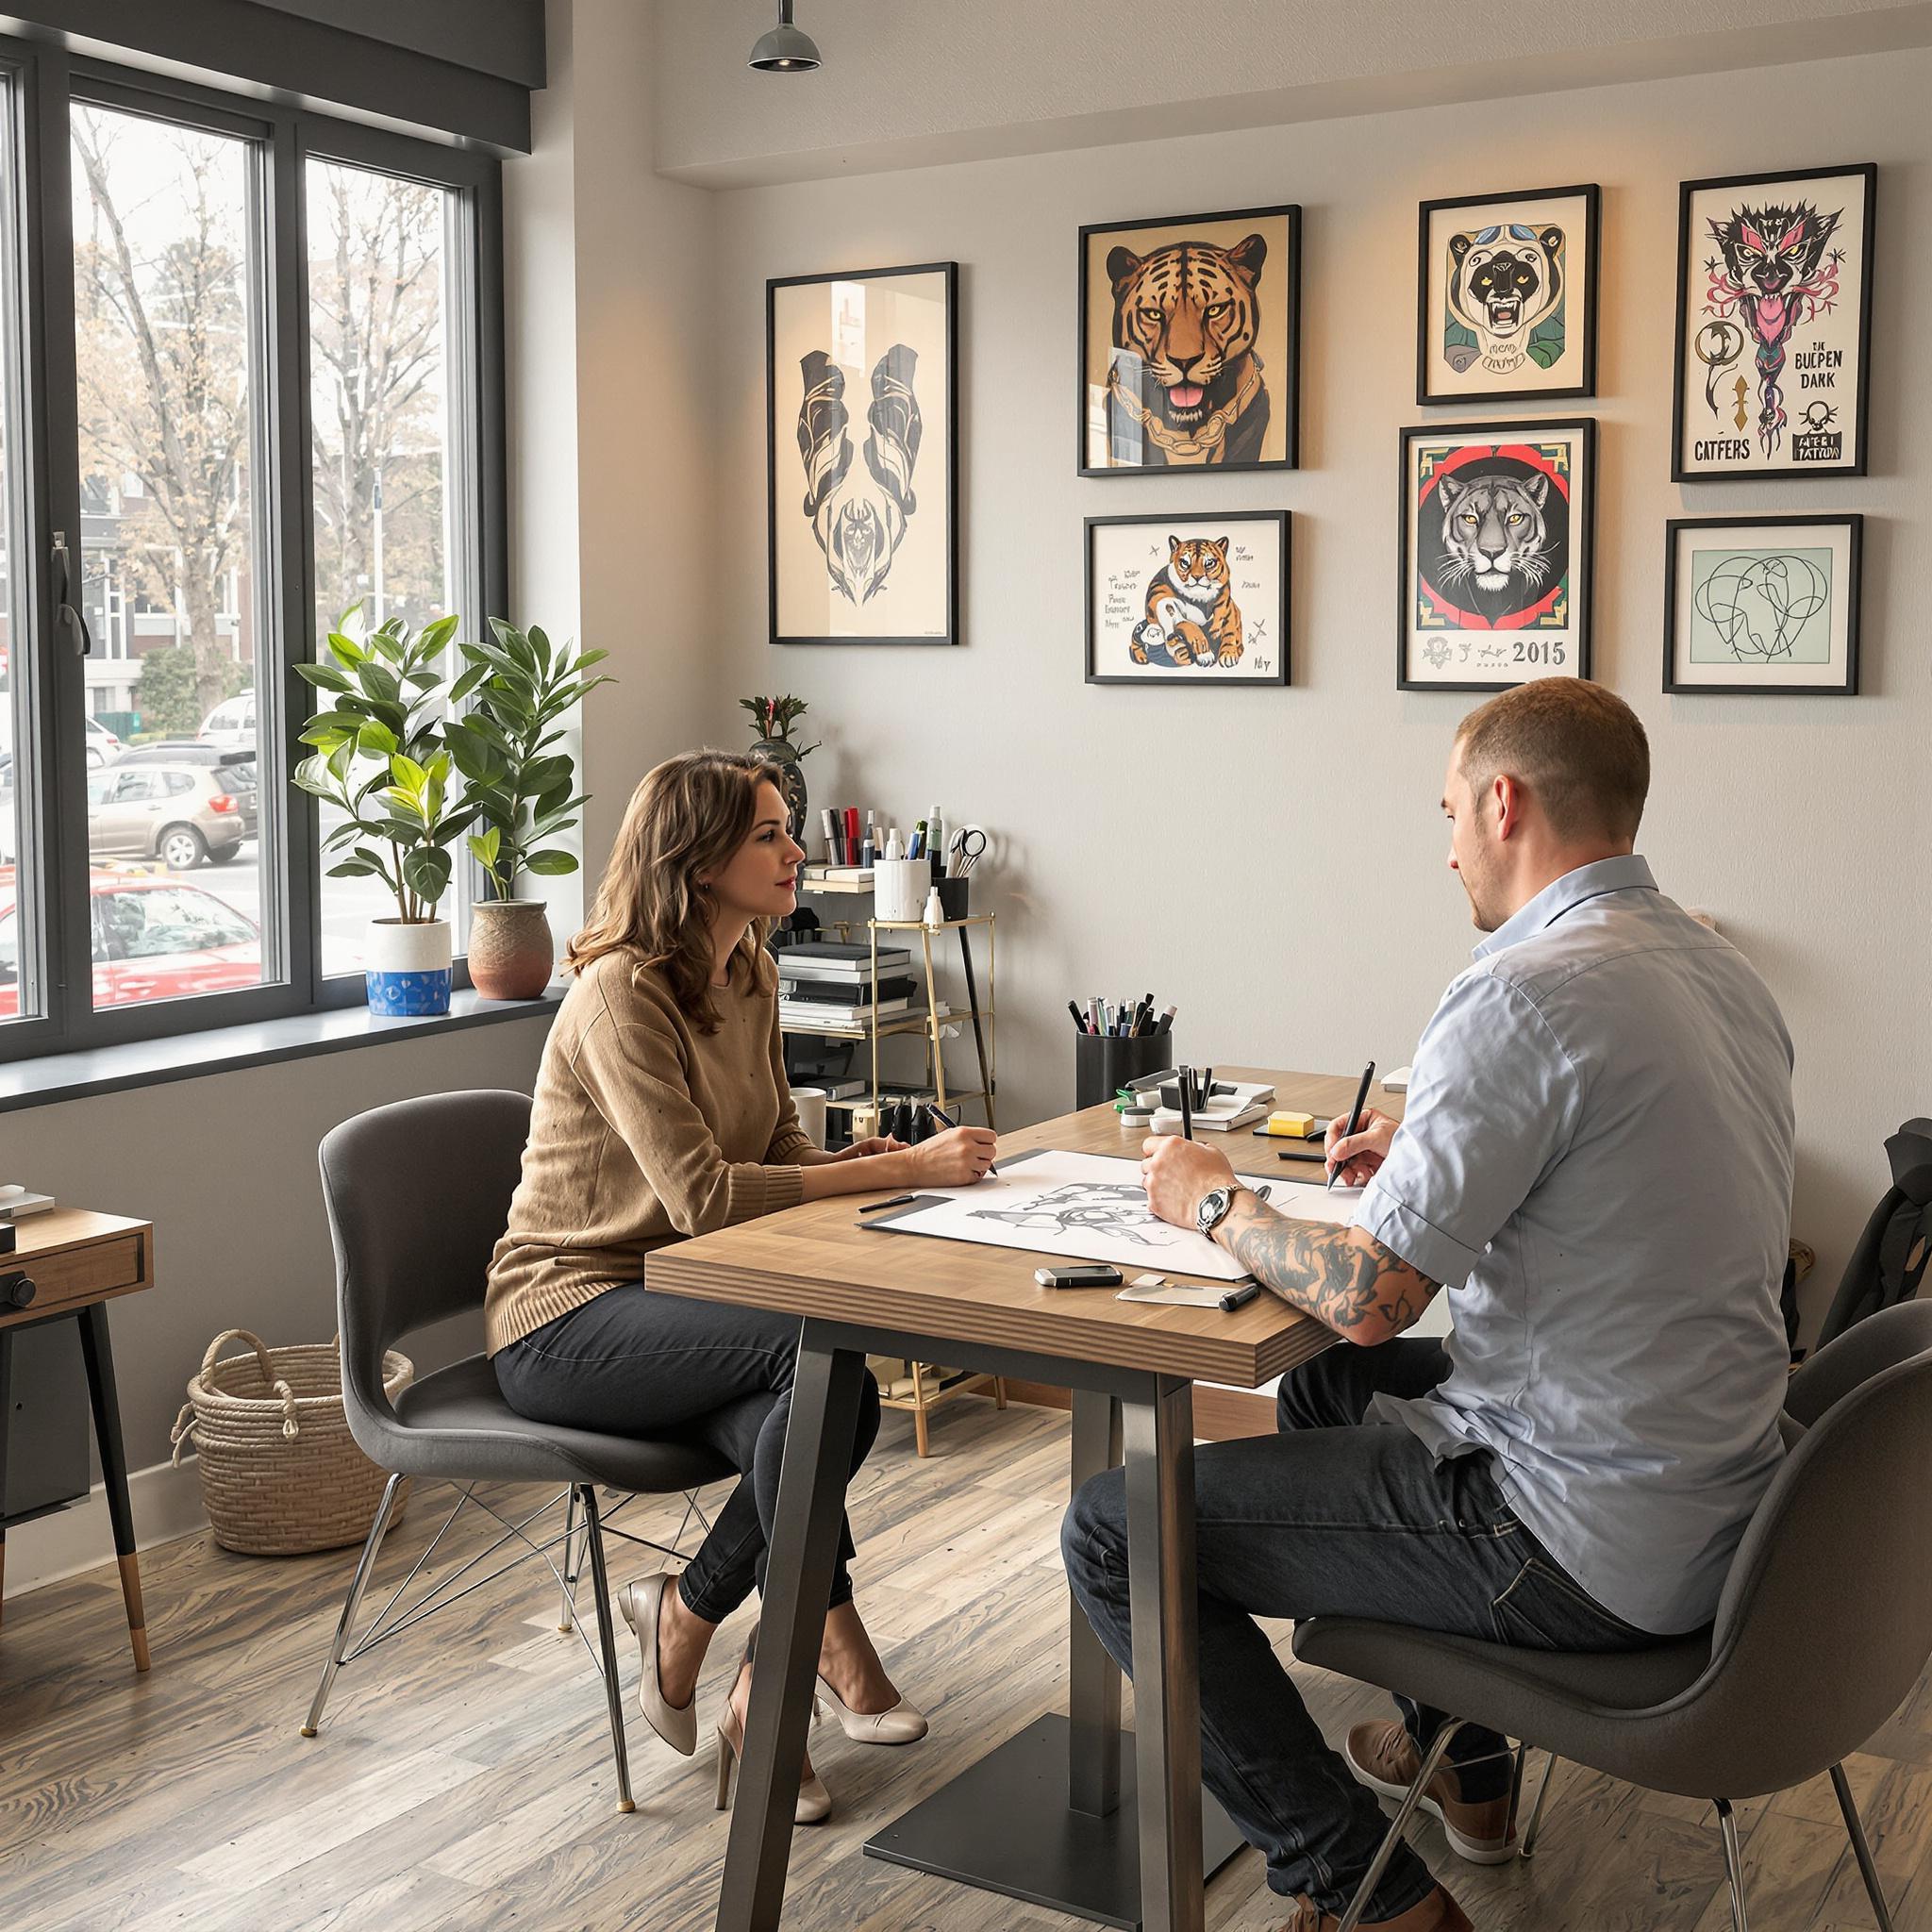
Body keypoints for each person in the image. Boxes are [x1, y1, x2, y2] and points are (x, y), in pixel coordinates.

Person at [1063, 681, 1795, 1931]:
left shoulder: (1520, 990)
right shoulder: (1713, 972)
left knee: (1117, 1532)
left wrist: (1208, 1199)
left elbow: (1366, 1298)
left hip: (1578, 1539)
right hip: (1730, 1501)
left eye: (1451, 809)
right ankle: (1469, 1777)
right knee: (1328, 1394)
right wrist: (1436, 1146)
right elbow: (1609, 1161)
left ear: (1504, 803)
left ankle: (1363, 1887)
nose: (1445, 840)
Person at [488, 749, 998, 1823]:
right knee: (810, 1356)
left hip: (685, 1307)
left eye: (784, 828)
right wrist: (902, 1168)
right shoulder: (616, 993)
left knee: (828, 1390)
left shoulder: (752, 970)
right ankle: (741, 1627)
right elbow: (705, 1198)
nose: (794, 848)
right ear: (695, 855)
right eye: (767, 832)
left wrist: (912, 1167)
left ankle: (731, 1647)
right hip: (566, 1313)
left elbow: (780, 1151)